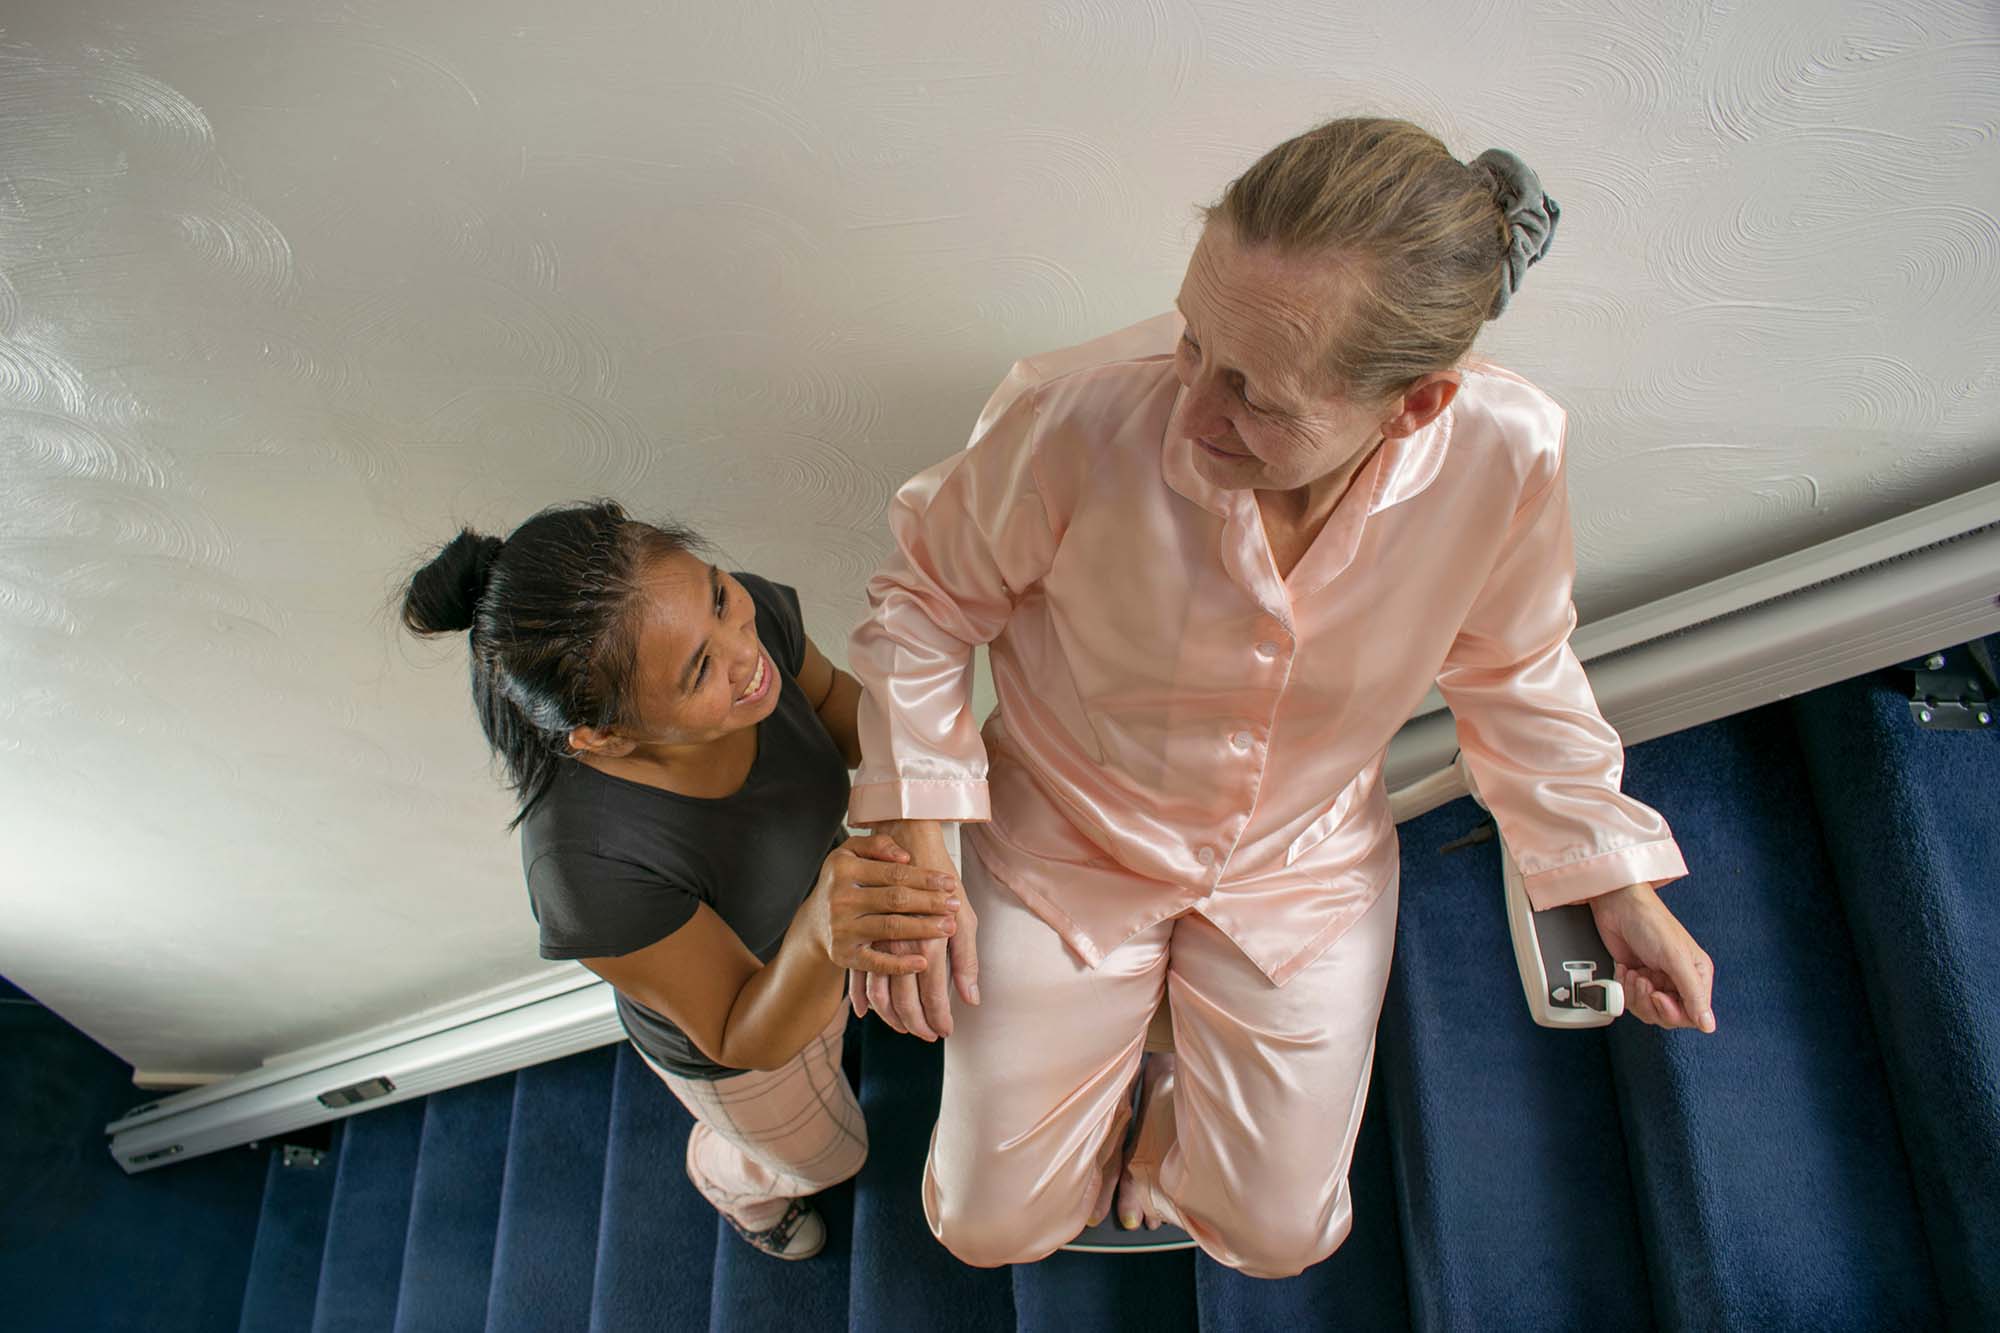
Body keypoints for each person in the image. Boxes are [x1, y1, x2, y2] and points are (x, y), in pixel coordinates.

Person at [844, 118, 1718, 1277]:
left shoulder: (1507, 452)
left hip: (1299, 861)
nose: (1192, 409)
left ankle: (1153, 1072)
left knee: (1277, 1241)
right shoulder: (1072, 415)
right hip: (1060, 839)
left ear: (1410, 405)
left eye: (1252, 394)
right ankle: (1130, 1051)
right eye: (1191, 341)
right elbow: (923, 604)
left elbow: (1512, 669)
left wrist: (1608, 871)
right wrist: (914, 834)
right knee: (985, 1228)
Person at [402, 501, 960, 1260]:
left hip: (822, 930)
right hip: (743, 1031)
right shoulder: (584, 872)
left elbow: (836, 709)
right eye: (700, 668)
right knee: (830, 1156)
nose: (745, 650)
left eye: (721, 598)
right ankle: (733, 1179)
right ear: (605, 734)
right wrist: (825, 935)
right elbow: (740, 1031)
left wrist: (916, 803)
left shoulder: (753, 625)